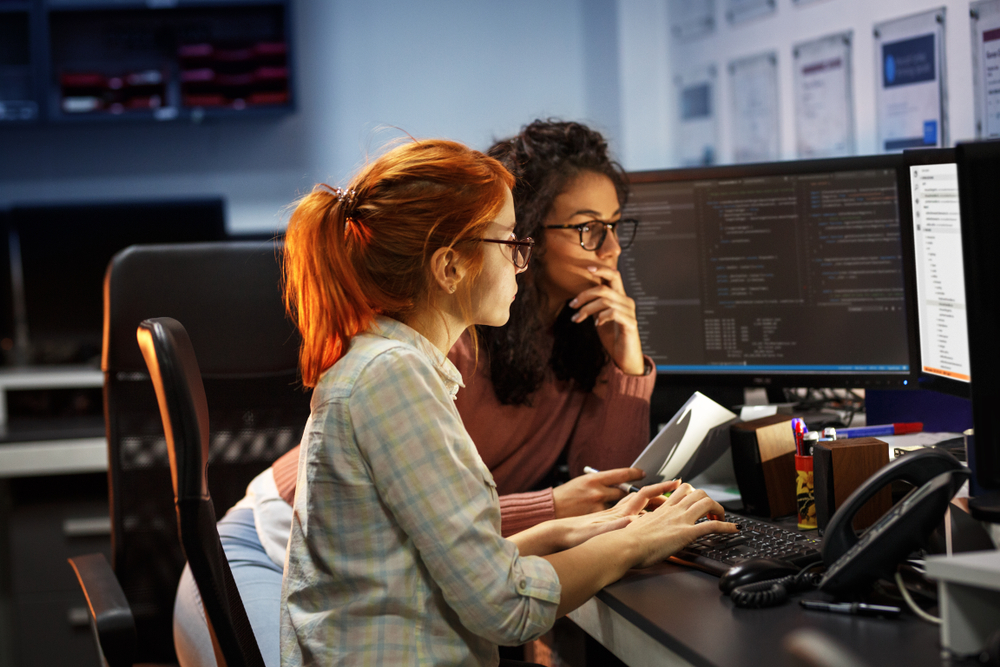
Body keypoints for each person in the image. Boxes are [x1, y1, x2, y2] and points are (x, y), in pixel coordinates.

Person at [173, 120, 663, 666]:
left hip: (375, 582)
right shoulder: (414, 363)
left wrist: (625, 369)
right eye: (513, 241)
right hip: (265, 546)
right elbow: (488, 585)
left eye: (617, 226)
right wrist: (592, 529)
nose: (612, 249)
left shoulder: (434, 351)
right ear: (452, 264)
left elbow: (454, 536)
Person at [276, 137, 735, 665]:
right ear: (450, 268)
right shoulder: (395, 378)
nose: (522, 261)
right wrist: (638, 542)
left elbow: (412, 564)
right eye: (510, 243)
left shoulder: (393, 364)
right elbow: (507, 607)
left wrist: (569, 530)